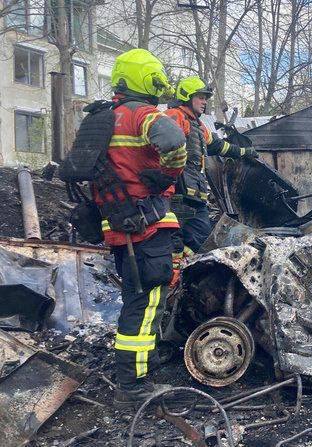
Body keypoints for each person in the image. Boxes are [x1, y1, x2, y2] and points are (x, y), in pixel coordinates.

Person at [90, 48, 187, 407]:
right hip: (146, 227)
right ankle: (131, 388)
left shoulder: (102, 118)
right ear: (147, 79)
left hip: (118, 227)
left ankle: (141, 366)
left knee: (135, 298)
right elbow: (175, 142)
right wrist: (168, 175)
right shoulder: (141, 114)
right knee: (145, 304)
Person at [164, 76, 258, 262]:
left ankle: (187, 267)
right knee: (180, 243)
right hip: (178, 196)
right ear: (187, 97)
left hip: (194, 195)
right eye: (200, 97)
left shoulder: (198, 125)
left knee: (201, 242)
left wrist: (243, 152)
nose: (204, 102)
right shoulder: (175, 116)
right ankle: (178, 271)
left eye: (206, 98)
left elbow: (217, 146)